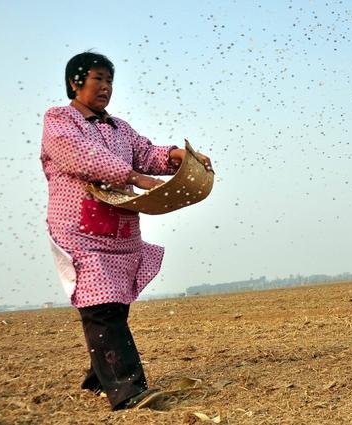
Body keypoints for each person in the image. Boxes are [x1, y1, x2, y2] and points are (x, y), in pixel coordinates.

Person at [40, 51, 212, 410]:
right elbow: (80, 155)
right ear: (76, 82)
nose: (105, 87)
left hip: (119, 231)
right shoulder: (61, 121)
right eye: (97, 79)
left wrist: (176, 156)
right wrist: (133, 177)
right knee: (102, 307)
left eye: (109, 81)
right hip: (80, 230)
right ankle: (127, 390)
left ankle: (97, 378)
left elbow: (146, 152)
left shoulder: (120, 128)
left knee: (113, 305)